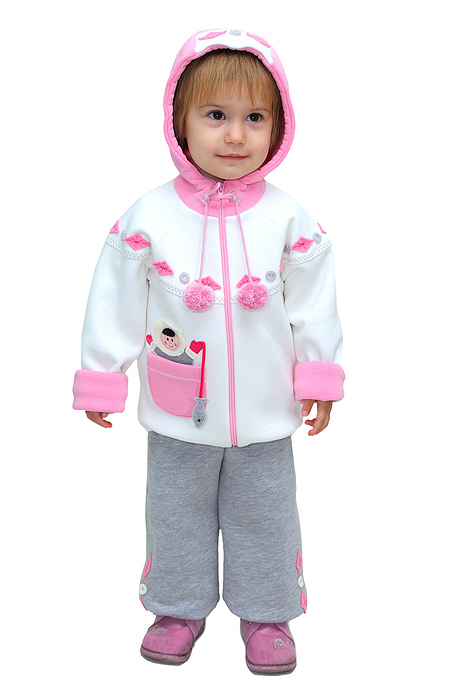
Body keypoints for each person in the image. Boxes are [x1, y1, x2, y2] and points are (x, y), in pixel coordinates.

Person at [72, 28, 345, 675]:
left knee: (266, 518)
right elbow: (114, 299)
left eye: (255, 118)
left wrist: (318, 376)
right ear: (179, 121)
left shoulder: (289, 220)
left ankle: (267, 614)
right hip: (178, 410)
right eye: (216, 115)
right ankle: (176, 608)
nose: (235, 136)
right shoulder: (149, 216)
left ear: (279, 127)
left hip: (265, 412)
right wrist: (102, 375)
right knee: (175, 514)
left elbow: (315, 304)